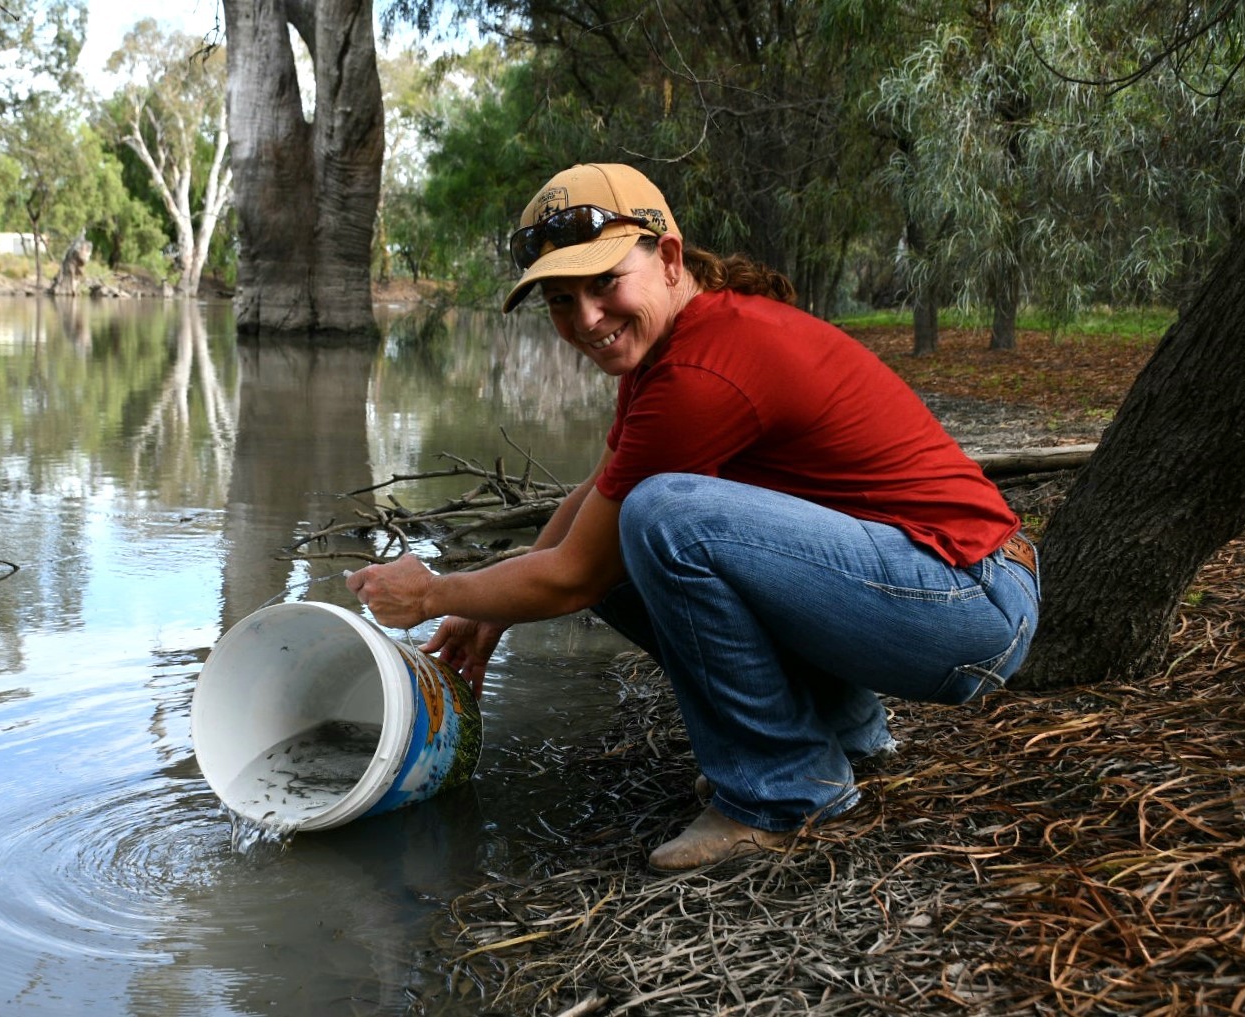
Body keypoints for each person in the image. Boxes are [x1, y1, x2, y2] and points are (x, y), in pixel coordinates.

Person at [347, 163, 1040, 871]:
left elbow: (575, 577)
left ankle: (782, 791)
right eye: (560, 300)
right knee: (627, 524)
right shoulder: (673, 343)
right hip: (942, 588)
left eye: (604, 282)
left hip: (971, 603)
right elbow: (594, 492)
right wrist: (487, 607)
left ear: (668, 257)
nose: (585, 317)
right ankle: (839, 733)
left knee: (660, 520)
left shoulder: (701, 372)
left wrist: (433, 592)